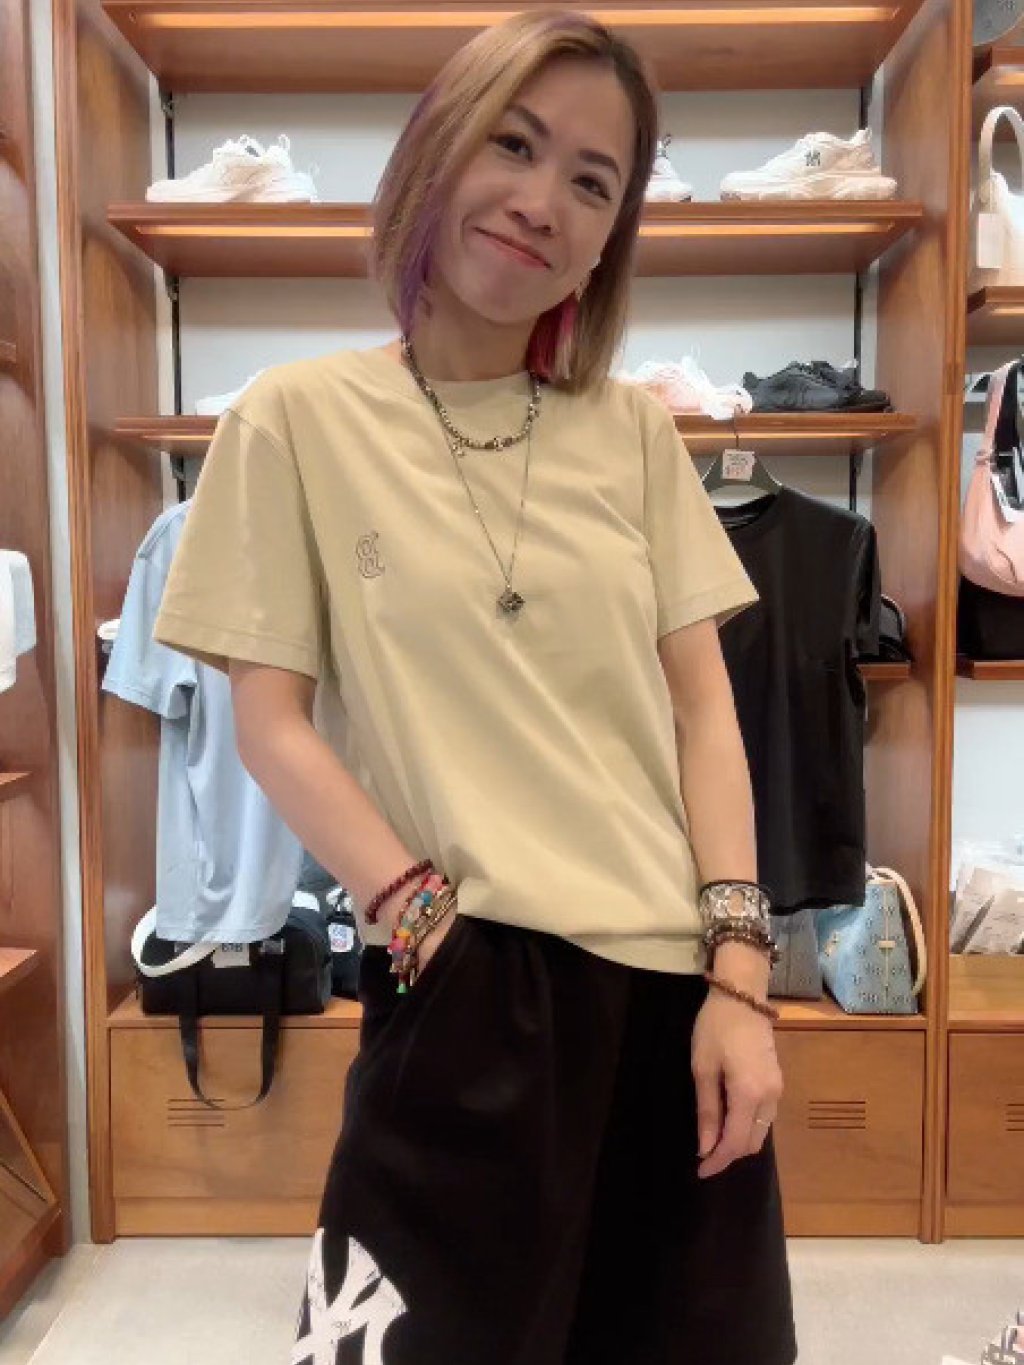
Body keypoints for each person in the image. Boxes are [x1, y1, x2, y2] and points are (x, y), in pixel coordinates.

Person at [152, 8, 798, 1362]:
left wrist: (741, 976)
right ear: (436, 149)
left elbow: (703, 711)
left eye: (593, 181)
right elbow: (269, 722)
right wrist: (417, 915)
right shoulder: (293, 419)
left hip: (671, 987)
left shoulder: (633, 432)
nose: (543, 201)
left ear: (611, 235)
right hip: (462, 975)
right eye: (515, 144)